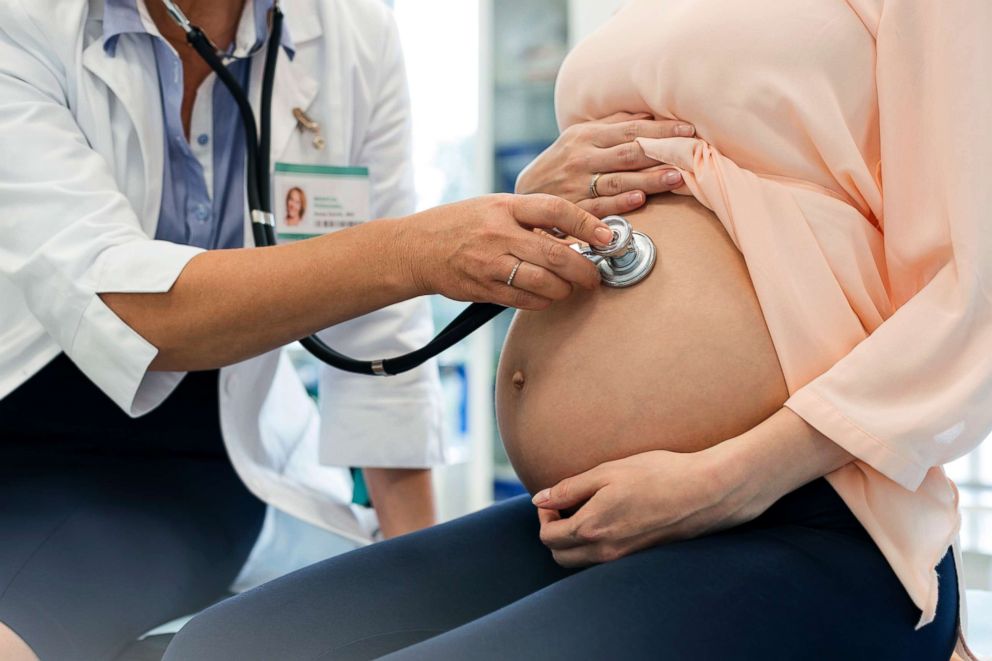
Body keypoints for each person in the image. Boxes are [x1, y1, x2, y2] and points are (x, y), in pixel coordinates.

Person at [164, 0, 989, 659]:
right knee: (223, 644)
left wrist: (728, 477)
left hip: (809, 509)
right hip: (592, 520)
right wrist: (543, 190)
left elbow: (975, 290)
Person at [0, 0, 621, 659]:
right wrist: (415, 252)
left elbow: (383, 333)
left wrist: (425, 579)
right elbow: (128, 306)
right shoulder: (25, 21)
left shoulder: (353, 30)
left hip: (212, 469)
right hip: (28, 443)